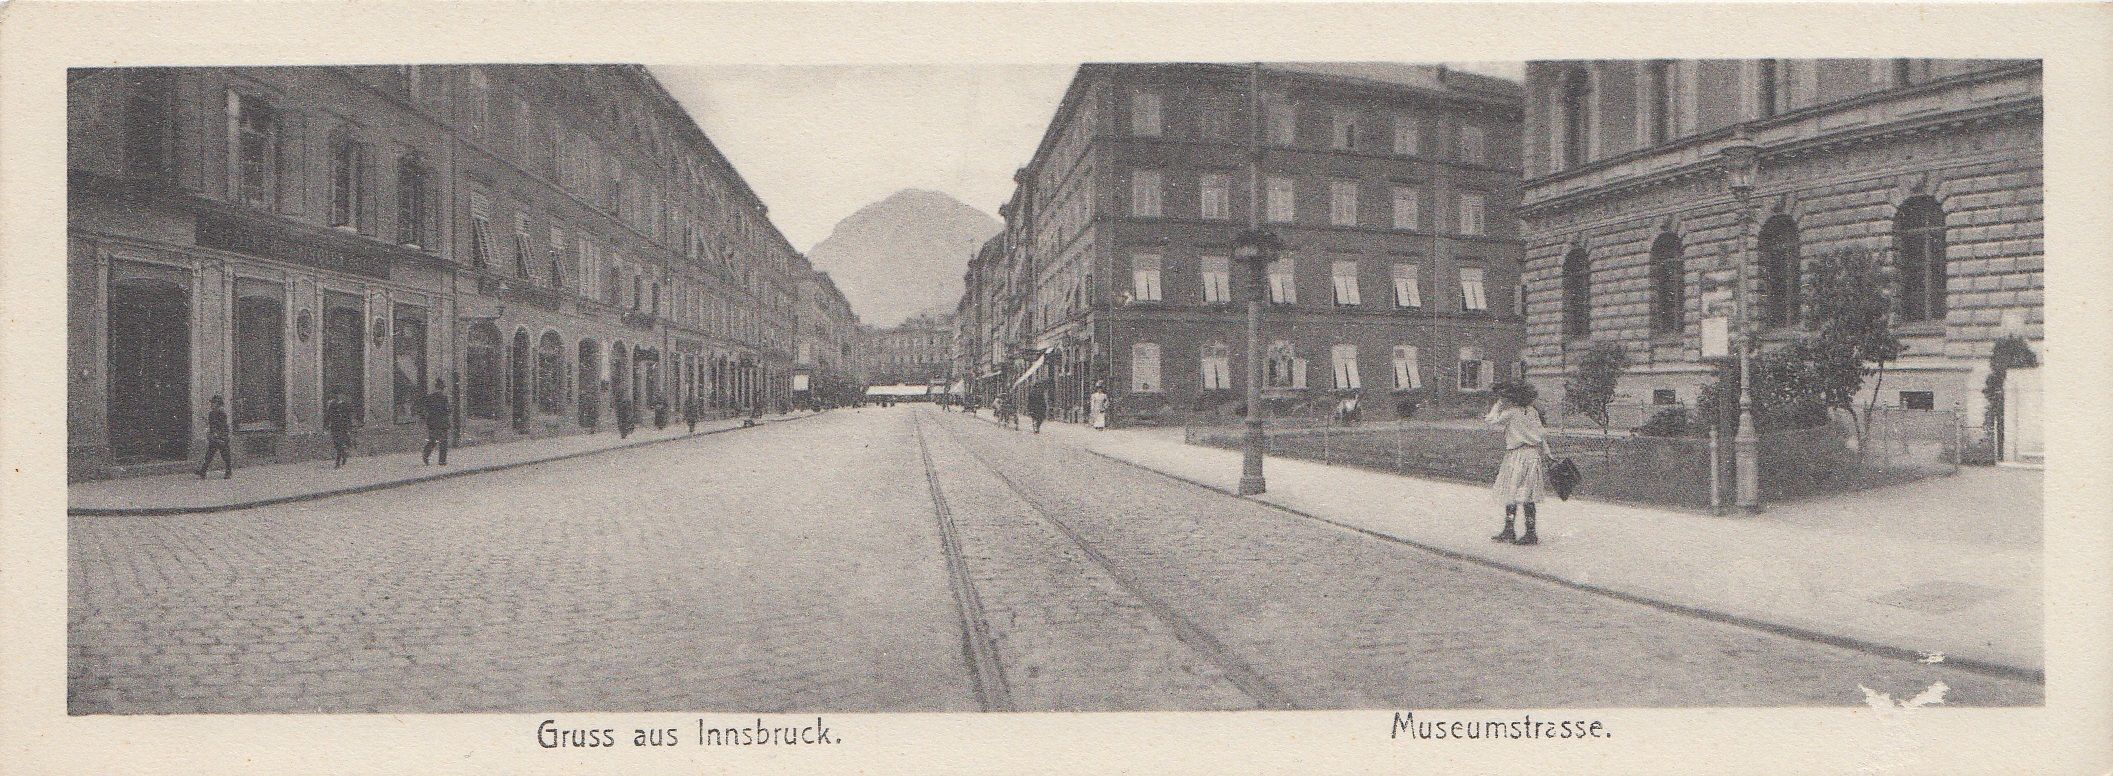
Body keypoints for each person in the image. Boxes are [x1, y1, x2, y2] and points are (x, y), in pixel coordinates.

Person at [1484, 381, 1549, 546]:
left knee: (1511, 493)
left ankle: (1509, 529)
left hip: (1516, 455)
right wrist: (1548, 453)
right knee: (1528, 494)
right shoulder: (1532, 412)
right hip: (1532, 455)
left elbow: (1491, 421)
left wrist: (1497, 405)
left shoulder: (1511, 413)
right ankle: (1530, 532)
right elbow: (1541, 435)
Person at [196, 394, 233, 479]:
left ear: (218, 404)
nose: (212, 404)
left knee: (224, 455)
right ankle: (203, 471)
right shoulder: (212, 413)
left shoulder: (221, 413)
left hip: (221, 437)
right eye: (212, 403)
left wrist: (218, 433)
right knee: (210, 454)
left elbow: (223, 426)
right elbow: (212, 425)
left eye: (214, 403)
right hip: (215, 436)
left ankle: (228, 471)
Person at [419, 380, 451, 465]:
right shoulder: (444, 398)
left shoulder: (429, 397)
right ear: (442, 389)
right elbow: (447, 410)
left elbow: (425, 409)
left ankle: (426, 454)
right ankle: (442, 461)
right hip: (442, 423)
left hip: (432, 423)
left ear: (435, 388)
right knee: (443, 442)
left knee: (433, 440)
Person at [325, 391, 356, 468]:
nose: (339, 396)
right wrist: (326, 425)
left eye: (340, 394)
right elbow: (328, 415)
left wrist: (349, 427)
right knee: (336, 444)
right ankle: (344, 454)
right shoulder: (332, 405)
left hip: (343, 428)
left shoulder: (346, 405)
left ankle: (337, 463)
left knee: (340, 444)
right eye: (337, 394)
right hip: (334, 427)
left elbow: (349, 417)